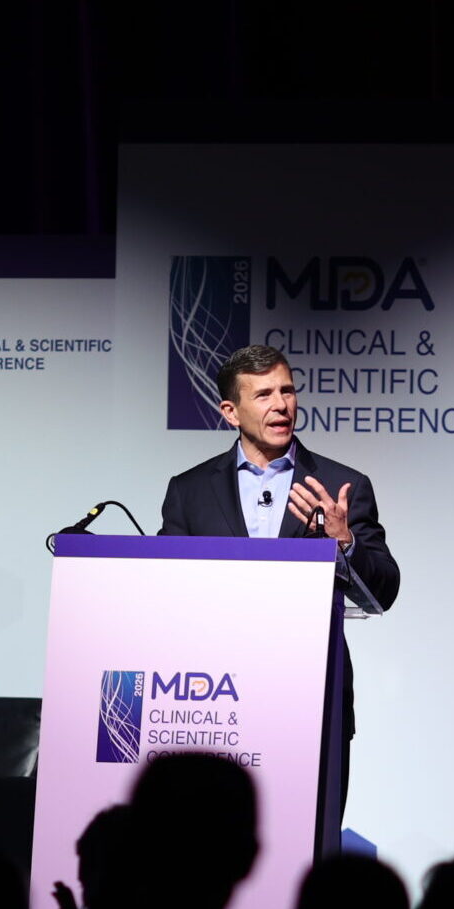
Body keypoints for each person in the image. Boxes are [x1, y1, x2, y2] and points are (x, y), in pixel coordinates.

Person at [157, 344, 400, 826]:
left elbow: (385, 587)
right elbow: (167, 591)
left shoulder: (341, 483)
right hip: (213, 701)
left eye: (287, 390)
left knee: (305, 838)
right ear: (231, 411)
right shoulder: (189, 490)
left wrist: (344, 541)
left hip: (312, 698)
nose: (281, 404)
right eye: (264, 394)